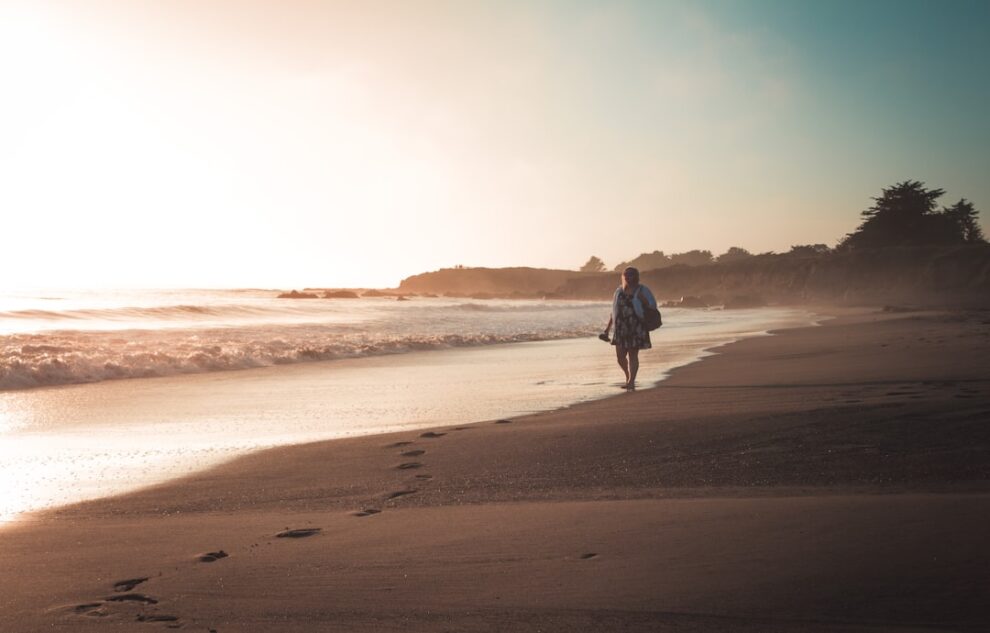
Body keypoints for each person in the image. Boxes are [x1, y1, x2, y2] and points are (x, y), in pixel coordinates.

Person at [601, 267, 657, 390]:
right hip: (620, 328)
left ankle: (631, 381)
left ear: (636, 276)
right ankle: (627, 375)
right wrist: (607, 329)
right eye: (626, 275)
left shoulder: (643, 290)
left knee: (633, 355)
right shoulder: (618, 291)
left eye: (630, 275)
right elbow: (614, 312)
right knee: (620, 357)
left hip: (636, 327)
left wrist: (645, 303)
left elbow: (653, 306)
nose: (628, 277)